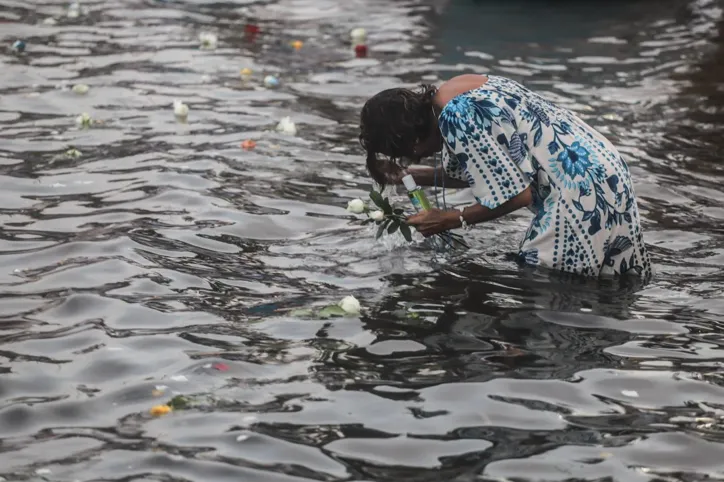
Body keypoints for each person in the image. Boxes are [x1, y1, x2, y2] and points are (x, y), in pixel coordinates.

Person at [358, 74, 651, 277]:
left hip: (576, 192)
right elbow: (495, 171)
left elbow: (517, 195)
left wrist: (450, 218)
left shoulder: (456, 116)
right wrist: (412, 176)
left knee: (544, 290)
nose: (417, 157)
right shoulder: (455, 90)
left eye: (410, 154)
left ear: (410, 138)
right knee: (614, 283)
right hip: (603, 170)